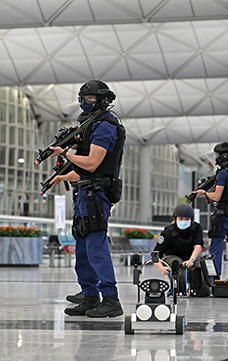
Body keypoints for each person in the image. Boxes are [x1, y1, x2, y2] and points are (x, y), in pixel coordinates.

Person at [50, 80, 125, 318]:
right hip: (84, 193)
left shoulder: (105, 126)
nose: (84, 103)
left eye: (90, 99)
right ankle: (90, 295)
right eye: (83, 98)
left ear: (102, 100)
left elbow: (92, 163)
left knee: (96, 247)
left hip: (97, 195)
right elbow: (83, 171)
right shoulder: (91, 125)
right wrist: (60, 177)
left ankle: (111, 299)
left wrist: (66, 153)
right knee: (82, 247)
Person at [193, 142, 228, 284]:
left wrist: (204, 192)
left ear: (224, 155)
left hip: (222, 216)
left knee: (216, 249)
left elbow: (217, 196)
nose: (216, 158)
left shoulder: (223, 173)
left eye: (218, 155)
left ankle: (213, 280)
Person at [153, 204, 211, 297]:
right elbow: (155, 254)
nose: (184, 221)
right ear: (175, 218)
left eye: (187, 219)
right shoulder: (168, 232)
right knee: (178, 265)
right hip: (172, 257)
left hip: (191, 257)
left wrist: (191, 260)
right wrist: (162, 268)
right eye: (181, 219)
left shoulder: (196, 228)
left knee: (204, 289)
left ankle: (195, 288)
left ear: (191, 219)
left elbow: (198, 246)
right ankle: (176, 286)